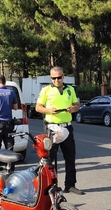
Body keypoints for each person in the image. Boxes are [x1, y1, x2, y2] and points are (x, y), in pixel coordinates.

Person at [35, 66, 84, 195]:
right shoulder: (46, 90)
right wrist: (49, 110)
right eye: (53, 78)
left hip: (67, 127)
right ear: (51, 78)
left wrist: (73, 109)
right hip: (52, 127)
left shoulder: (70, 89)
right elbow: (38, 107)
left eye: (59, 77)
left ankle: (70, 185)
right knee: (50, 159)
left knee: (70, 157)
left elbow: (77, 105)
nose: (56, 80)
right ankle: (50, 186)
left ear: (63, 77)